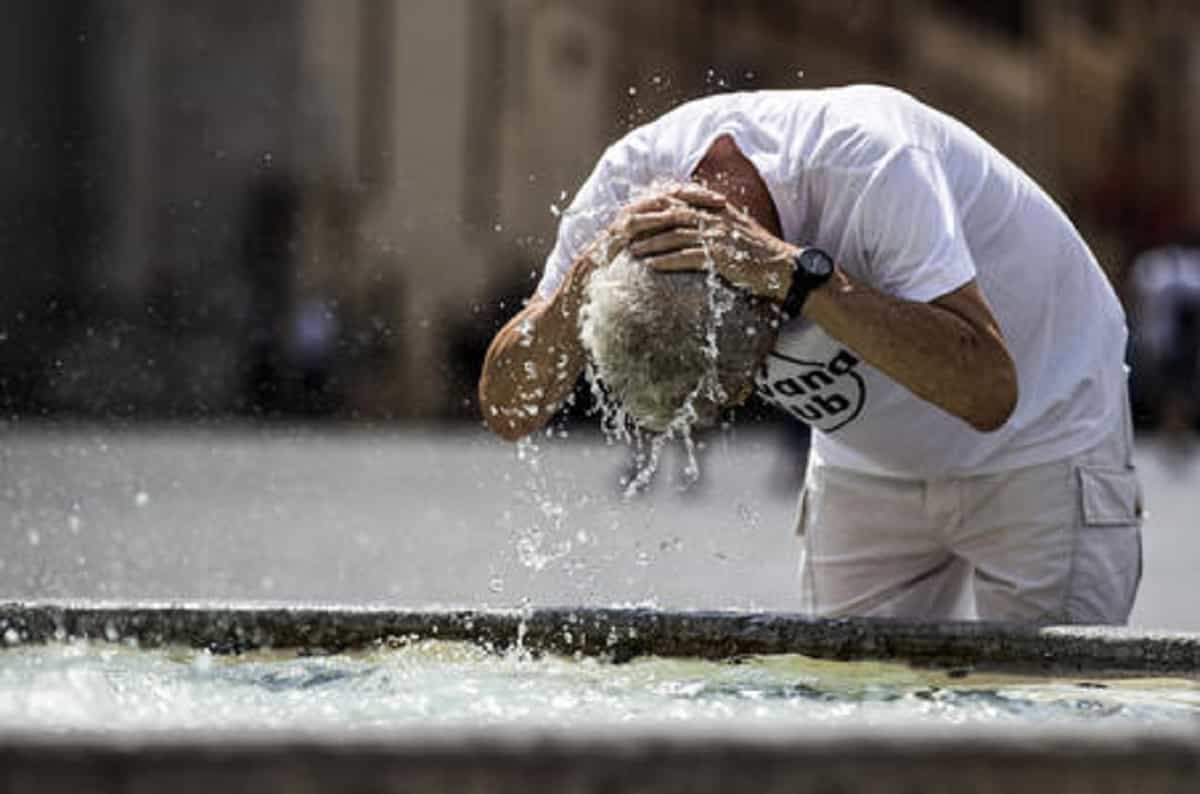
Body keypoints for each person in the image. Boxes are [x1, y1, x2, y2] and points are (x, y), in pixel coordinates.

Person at [478, 85, 1142, 624]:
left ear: (769, 312)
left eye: (738, 385)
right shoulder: (625, 187)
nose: (742, 401)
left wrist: (799, 275)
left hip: (1043, 430)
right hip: (867, 458)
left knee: (1056, 714)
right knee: (850, 720)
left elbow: (990, 392)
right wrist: (579, 282)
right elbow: (509, 410)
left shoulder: (871, 160)